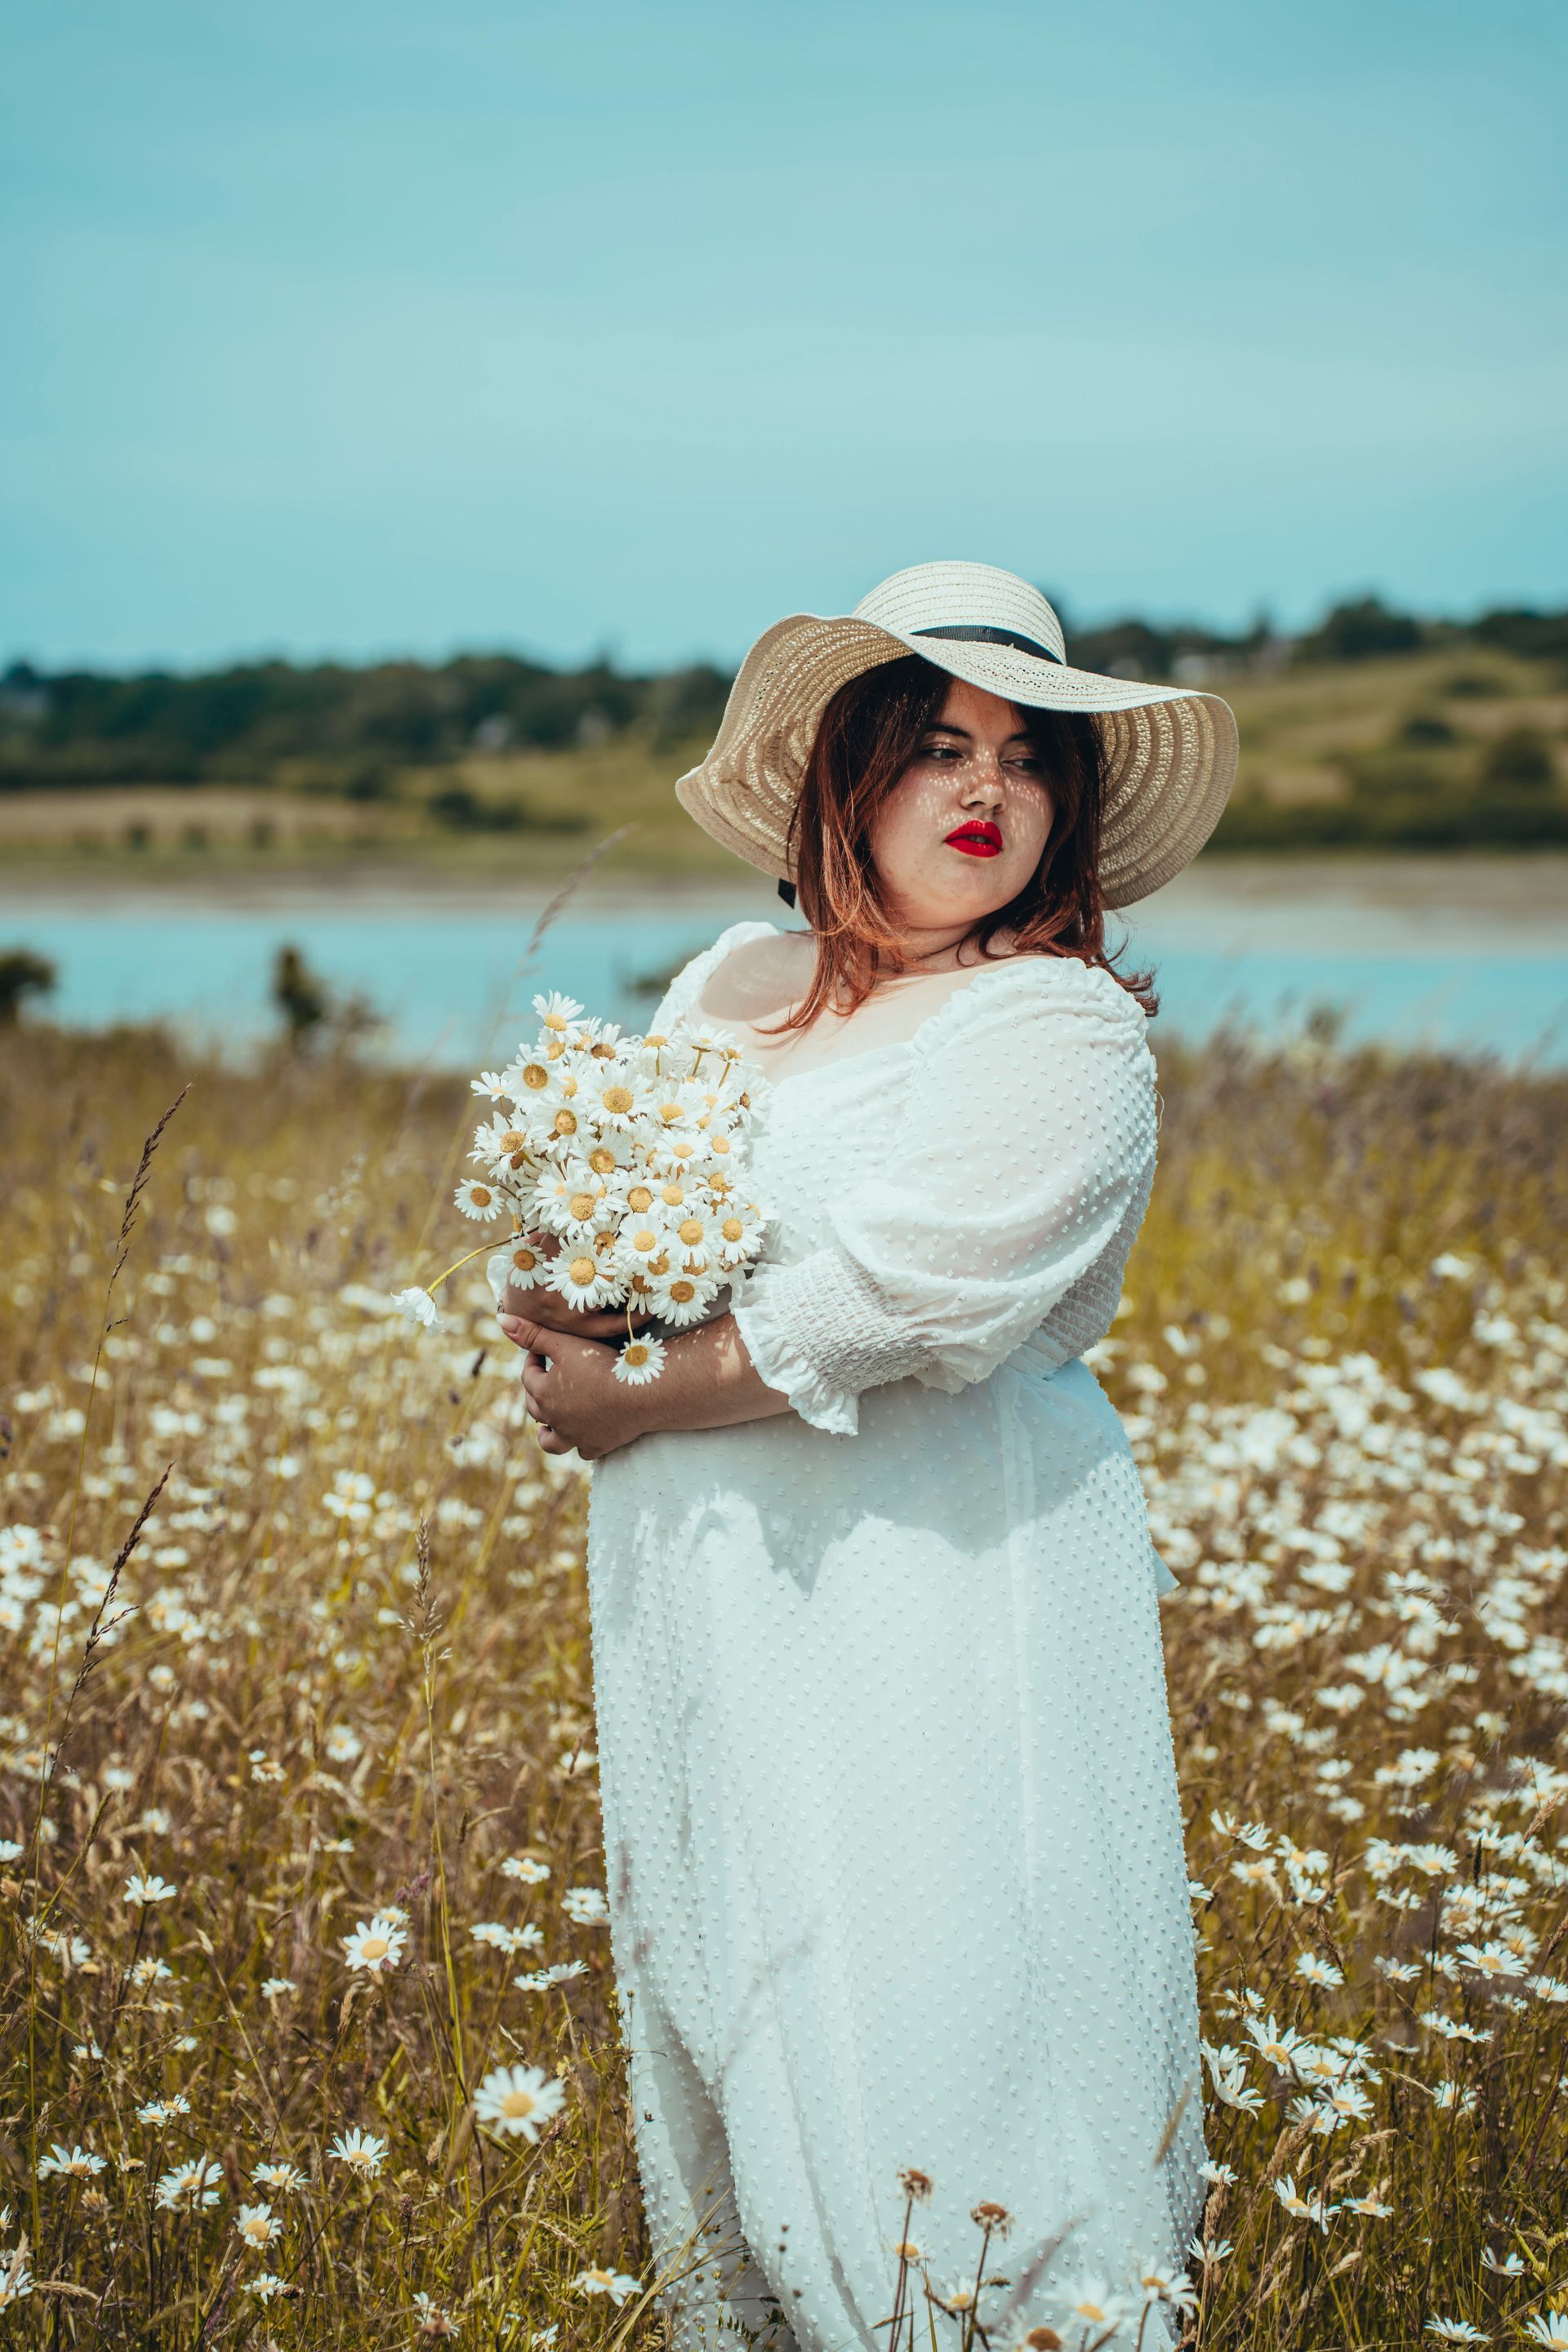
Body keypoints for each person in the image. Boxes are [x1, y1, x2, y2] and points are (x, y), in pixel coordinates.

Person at [497, 561, 1239, 2352]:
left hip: (927, 1575)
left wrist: (635, 1393)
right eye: (934, 748)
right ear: (846, 777)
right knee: (740, 1966)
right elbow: (613, 1214)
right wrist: (560, 1303)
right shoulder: (724, 979)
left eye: (1023, 757)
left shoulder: (1055, 1023)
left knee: (935, 1967)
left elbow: (926, 1297)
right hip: (710, 1574)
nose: (984, 792)